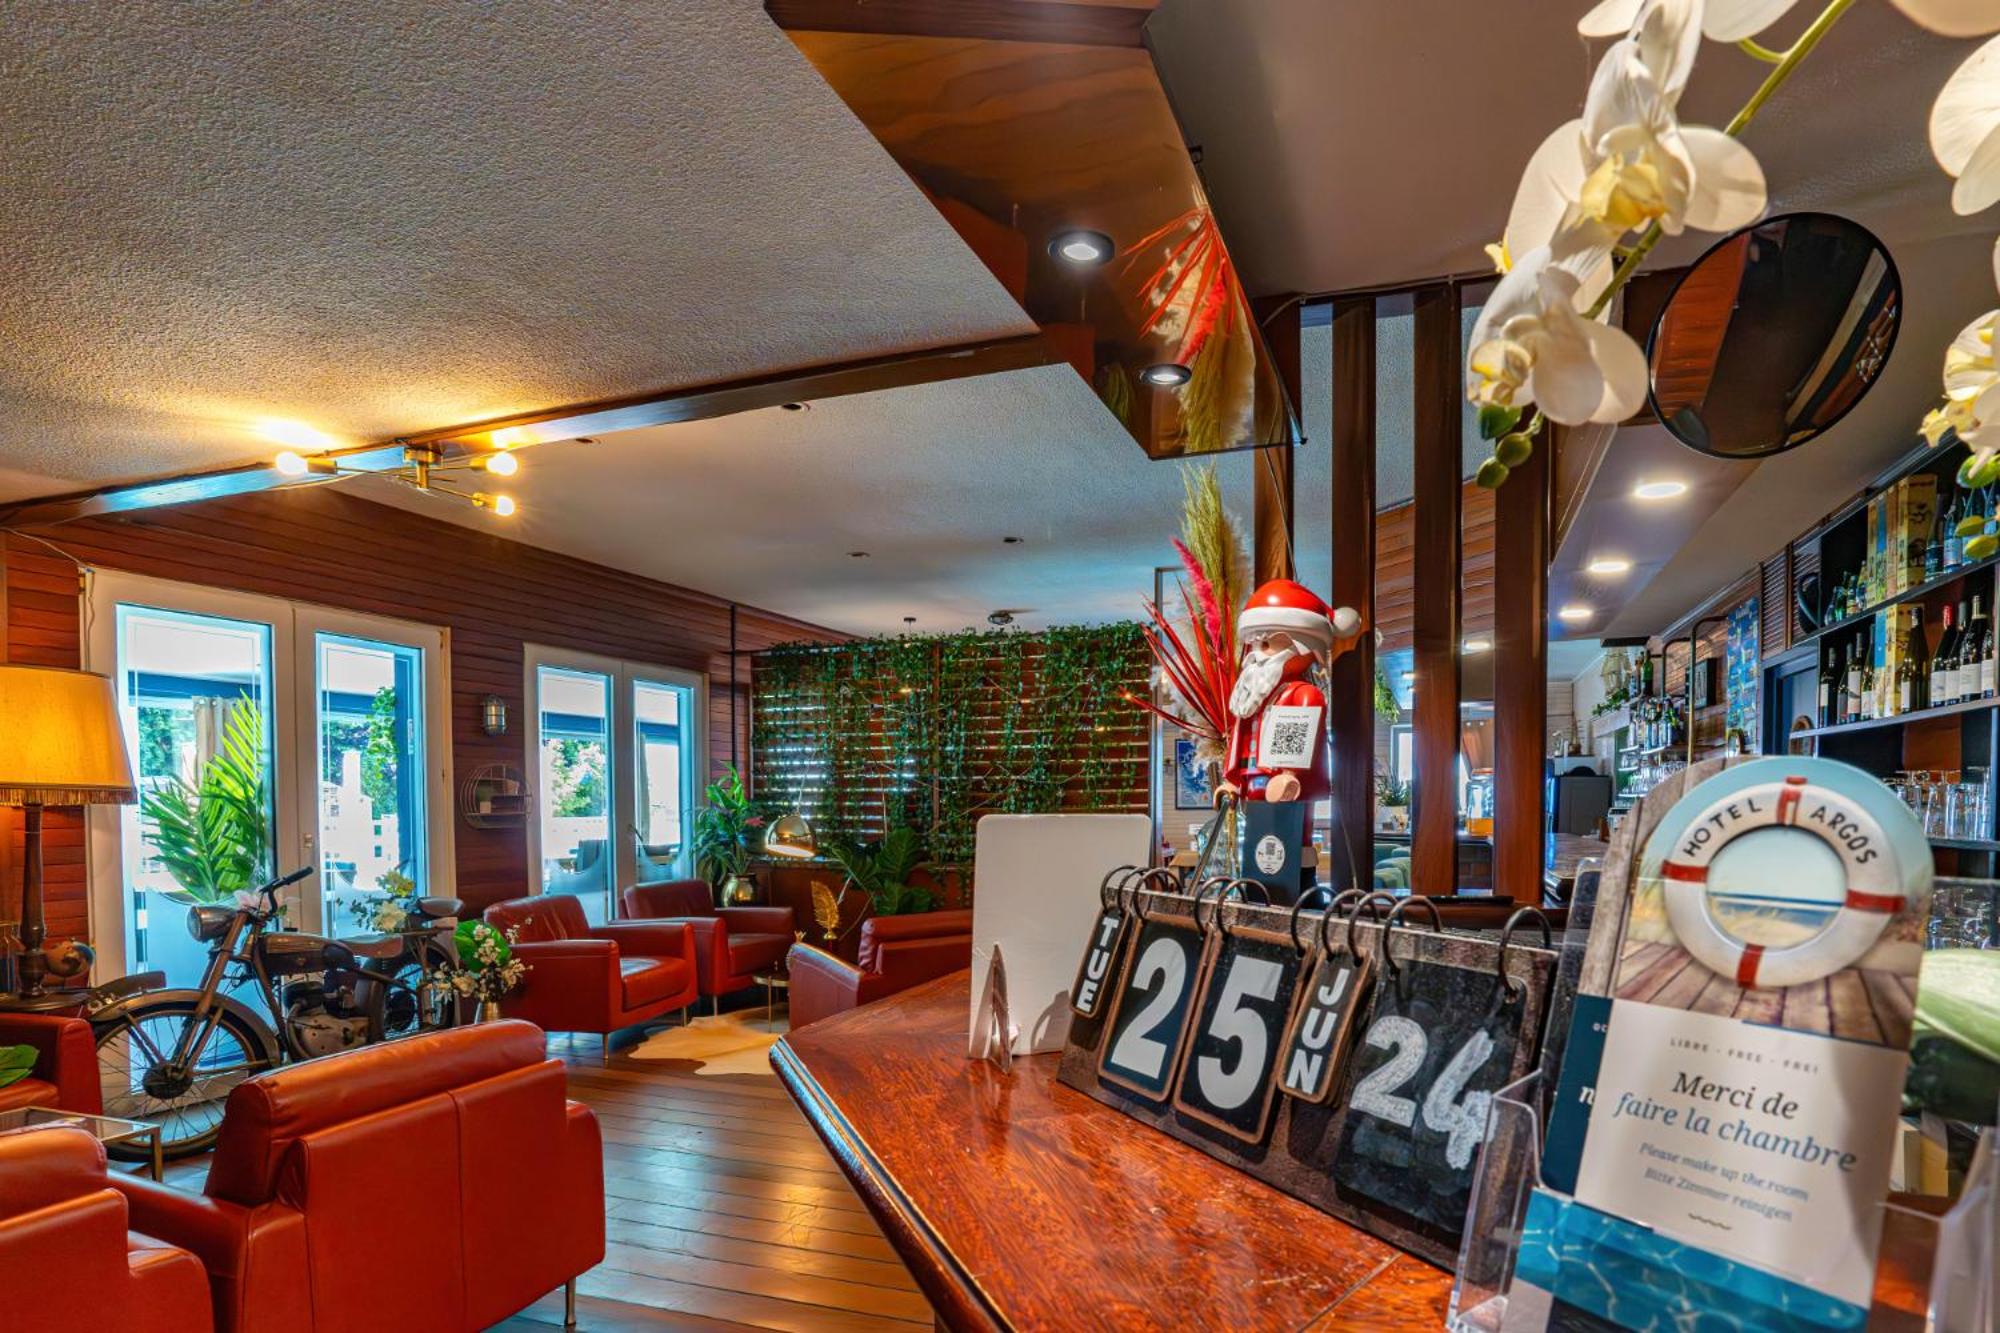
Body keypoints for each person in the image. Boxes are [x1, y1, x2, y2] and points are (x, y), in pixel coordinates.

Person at [1218, 579, 1363, 807]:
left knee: (1290, 826)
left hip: (1287, 785)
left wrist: (1289, 772)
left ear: (1306, 644)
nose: (1258, 653)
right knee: (1257, 828)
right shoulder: (1253, 697)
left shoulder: (1303, 694)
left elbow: (1300, 736)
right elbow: (1240, 736)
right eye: (1255, 644)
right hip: (1251, 779)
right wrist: (1232, 780)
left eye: (1267, 642)